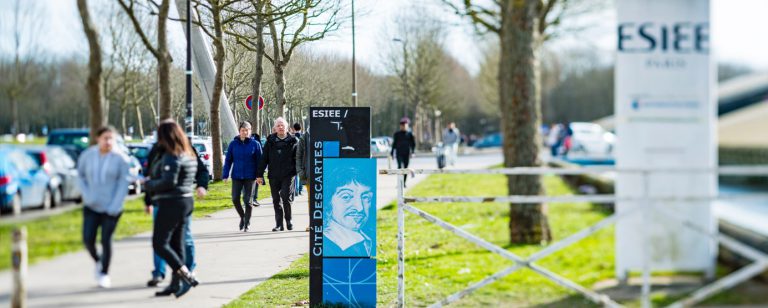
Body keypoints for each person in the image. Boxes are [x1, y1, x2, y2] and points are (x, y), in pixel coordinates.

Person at [144, 135, 209, 288]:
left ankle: (189, 270)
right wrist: (148, 200)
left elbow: (201, 170)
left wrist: (202, 185)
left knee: (183, 237)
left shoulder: (186, 148)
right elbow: (150, 175)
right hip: (160, 200)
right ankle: (159, 273)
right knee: (160, 240)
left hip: (179, 201)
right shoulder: (157, 150)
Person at [77, 126, 132, 288]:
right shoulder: (87, 155)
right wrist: (87, 195)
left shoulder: (121, 159)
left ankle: (104, 273)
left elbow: (123, 184)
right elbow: (80, 176)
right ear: (98, 139)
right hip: (91, 205)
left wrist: (115, 205)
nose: (108, 141)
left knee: (106, 240)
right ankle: (98, 261)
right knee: (88, 239)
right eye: (105, 138)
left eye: (111, 138)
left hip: (112, 208)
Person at [257, 117, 298, 232]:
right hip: (274, 175)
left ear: (286, 127)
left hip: (288, 174)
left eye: (282, 125)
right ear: (275, 128)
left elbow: (298, 158)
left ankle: (289, 220)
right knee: (276, 200)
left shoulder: (294, 141)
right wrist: (259, 174)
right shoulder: (270, 141)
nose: (280, 127)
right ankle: (279, 224)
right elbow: (264, 158)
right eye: (278, 125)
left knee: (285, 197)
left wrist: (298, 171)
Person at [324, 165, 375, 256]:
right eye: (346, 197)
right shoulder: (328, 245)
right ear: (328, 201)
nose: (360, 208)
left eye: (365, 197)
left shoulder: (365, 238)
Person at [223, 121, 263, 232]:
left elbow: (260, 162)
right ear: (239, 131)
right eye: (242, 130)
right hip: (236, 176)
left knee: (247, 200)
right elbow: (228, 161)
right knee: (235, 198)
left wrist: (259, 176)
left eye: (247, 130)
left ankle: (247, 223)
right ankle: (243, 217)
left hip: (250, 177)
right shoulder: (233, 144)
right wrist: (225, 175)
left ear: (250, 131)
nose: (244, 132)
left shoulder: (255, 144)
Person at [391, 117, 416, 187]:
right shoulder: (397, 134)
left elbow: (413, 144)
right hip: (399, 153)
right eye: (402, 125)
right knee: (399, 167)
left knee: (405, 168)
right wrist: (392, 153)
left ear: (407, 126)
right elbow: (394, 144)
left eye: (405, 125)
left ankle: (404, 183)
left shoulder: (410, 134)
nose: (403, 126)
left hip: (407, 153)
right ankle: (399, 183)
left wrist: (413, 152)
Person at [295, 129, 310, 232]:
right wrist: (301, 172)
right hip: (309, 175)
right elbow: (298, 156)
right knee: (312, 200)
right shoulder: (304, 137)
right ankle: (312, 223)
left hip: (326, 174)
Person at [251, 132, 262, 206]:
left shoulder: (256, 139)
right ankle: (250, 199)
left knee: (256, 183)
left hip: (255, 166)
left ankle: (254, 198)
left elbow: (260, 154)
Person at [292, 123, 303, 196]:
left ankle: (296, 190)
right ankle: (299, 190)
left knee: (295, 175)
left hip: (295, 158)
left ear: (294, 129)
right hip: (302, 158)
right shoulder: (303, 136)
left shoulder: (292, 137)